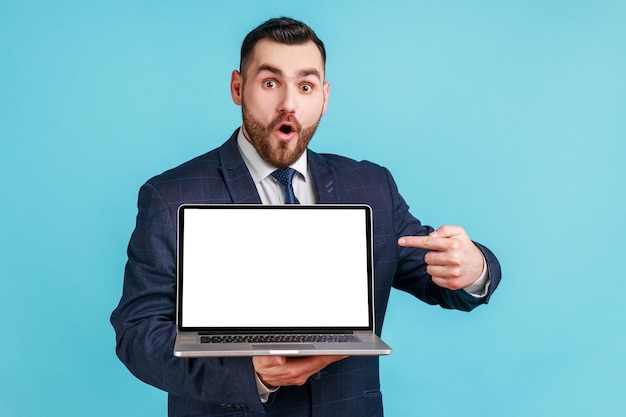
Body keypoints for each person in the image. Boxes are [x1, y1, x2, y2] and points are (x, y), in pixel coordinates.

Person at [111, 17, 501, 417]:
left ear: (325, 97)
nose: (289, 104)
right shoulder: (171, 196)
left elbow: (439, 274)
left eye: (305, 86)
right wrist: (251, 375)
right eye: (269, 83)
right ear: (237, 88)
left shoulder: (371, 186)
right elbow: (138, 333)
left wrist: (473, 268)